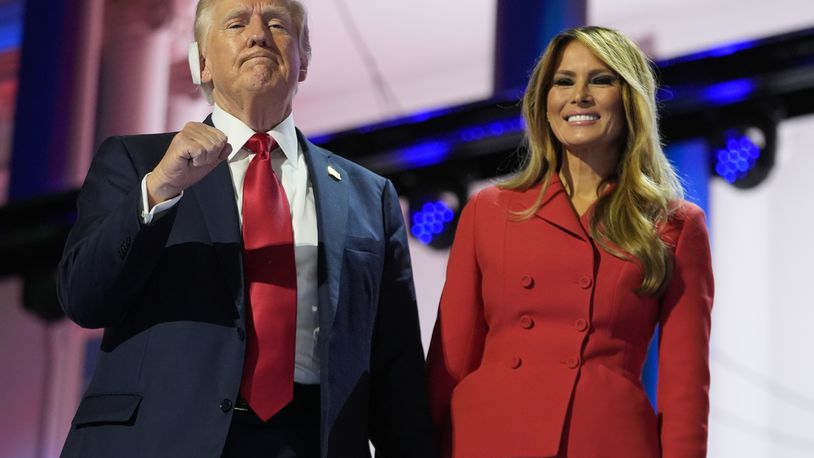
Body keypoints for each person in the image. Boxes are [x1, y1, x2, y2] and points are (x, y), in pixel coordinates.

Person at [57, 0, 437, 457]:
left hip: (306, 442)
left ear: (304, 61)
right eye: (237, 24)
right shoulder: (139, 163)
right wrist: (158, 190)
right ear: (202, 64)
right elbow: (83, 297)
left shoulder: (367, 195)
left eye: (277, 23)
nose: (258, 34)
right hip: (159, 440)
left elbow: (397, 372)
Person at [426, 26, 714, 458]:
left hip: (603, 440)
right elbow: (448, 363)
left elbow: (686, 390)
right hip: (488, 438)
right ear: (544, 104)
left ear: (629, 99)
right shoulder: (490, 210)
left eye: (600, 80)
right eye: (563, 81)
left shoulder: (675, 225)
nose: (579, 95)